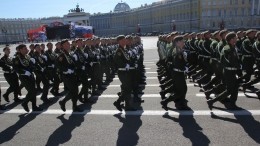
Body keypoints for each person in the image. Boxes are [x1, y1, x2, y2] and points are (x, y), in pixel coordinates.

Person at [207, 32, 241, 110]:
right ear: (232, 39)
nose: (237, 39)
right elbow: (232, 61)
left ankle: (232, 103)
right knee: (229, 90)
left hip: (231, 71)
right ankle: (212, 101)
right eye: (235, 38)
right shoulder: (228, 48)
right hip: (229, 72)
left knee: (235, 88)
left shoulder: (232, 47)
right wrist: (238, 68)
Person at [160, 35, 189, 110]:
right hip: (178, 73)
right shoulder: (177, 50)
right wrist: (184, 68)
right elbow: (177, 63)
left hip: (178, 73)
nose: (183, 42)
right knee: (181, 90)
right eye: (182, 41)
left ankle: (179, 103)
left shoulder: (179, 49)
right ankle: (166, 101)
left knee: (181, 89)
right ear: (178, 42)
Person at [13, 44, 42, 112]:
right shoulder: (17, 58)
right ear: (20, 50)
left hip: (30, 76)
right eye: (25, 49)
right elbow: (16, 68)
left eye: (26, 48)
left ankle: (34, 106)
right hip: (24, 77)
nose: (26, 50)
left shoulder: (27, 56)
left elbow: (31, 65)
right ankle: (25, 103)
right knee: (32, 91)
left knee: (34, 91)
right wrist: (24, 72)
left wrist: (34, 64)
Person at [57, 39, 83, 112]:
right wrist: (66, 70)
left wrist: (76, 67)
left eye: (68, 44)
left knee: (75, 91)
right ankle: (64, 102)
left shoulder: (68, 54)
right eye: (66, 44)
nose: (68, 45)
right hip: (66, 76)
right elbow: (58, 65)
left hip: (72, 75)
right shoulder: (61, 55)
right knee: (73, 91)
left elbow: (72, 64)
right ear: (62, 46)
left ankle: (73, 106)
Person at [113, 35, 136, 111]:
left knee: (127, 89)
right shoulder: (119, 50)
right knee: (127, 88)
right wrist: (125, 65)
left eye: (124, 40)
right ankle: (126, 105)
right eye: (122, 40)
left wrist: (130, 64)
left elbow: (127, 59)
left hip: (126, 71)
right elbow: (116, 60)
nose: (124, 41)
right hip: (122, 72)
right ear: (119, 41)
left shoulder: (124, 49)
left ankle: (119, 102)